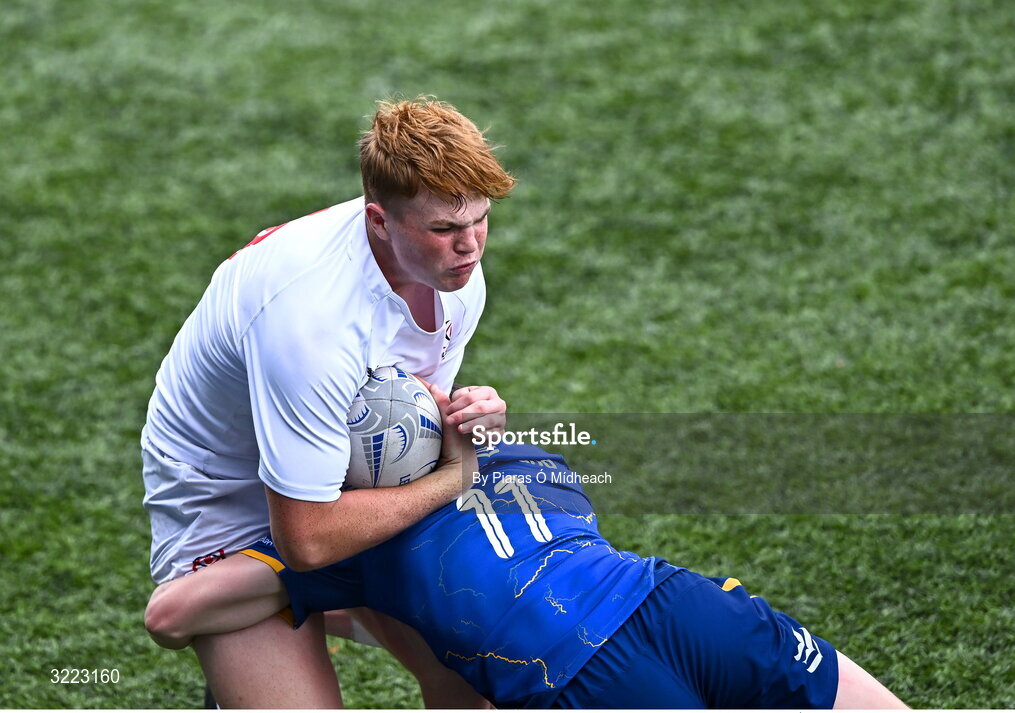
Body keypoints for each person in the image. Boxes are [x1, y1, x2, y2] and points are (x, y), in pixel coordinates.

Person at [141, 97, 514, 707]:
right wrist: (456, 479)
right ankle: (266, 610)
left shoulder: (453, 273)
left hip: (341, 475)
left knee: (483, 681)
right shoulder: (311, 322)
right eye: (445, 230)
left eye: (480, 219)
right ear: (379, 222)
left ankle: (300, 602)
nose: (470, 246)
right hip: (225, 497)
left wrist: (466, 423)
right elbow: (308, 541)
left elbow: (405, 422)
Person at [147, 437, 909, 709]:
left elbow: (171, 616)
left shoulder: (345, 545)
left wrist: (295, 572)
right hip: (685, 606)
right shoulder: (533, 457)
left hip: (585, 678)